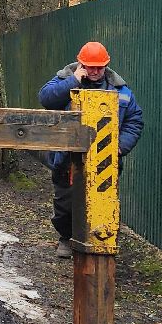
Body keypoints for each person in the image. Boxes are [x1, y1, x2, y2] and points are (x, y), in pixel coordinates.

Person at [39, 40, 144, 258]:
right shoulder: (65, 80)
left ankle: (98, 240)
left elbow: (134, 120)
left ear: (106, 65)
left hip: (104, 162)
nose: (95, 72)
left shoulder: (120, 91)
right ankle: (66, 237)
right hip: (67, 160)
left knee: (103, 202)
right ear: (81, 64)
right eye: (90, 67)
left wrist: (120, 147)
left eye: (99, 67)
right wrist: (73, 80)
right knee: (65, 204)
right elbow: (46, 99)